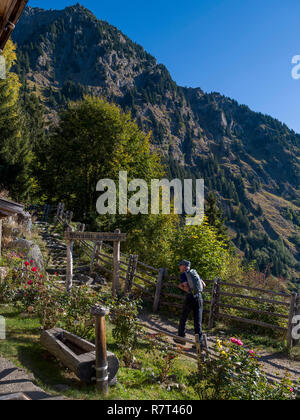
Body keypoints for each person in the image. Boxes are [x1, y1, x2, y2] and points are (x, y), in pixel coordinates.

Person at [174, 260, 205, 348]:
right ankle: (199, 343)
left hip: (190, 297)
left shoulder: (184, 274)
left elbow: (185, 285)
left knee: (183, 317)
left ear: (184, 266)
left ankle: (181, 338)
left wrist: (182, 288)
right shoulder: (195, 273)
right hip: (199, 297)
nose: (179, 267)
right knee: (197, 321)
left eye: (180, 265)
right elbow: (204, 285)